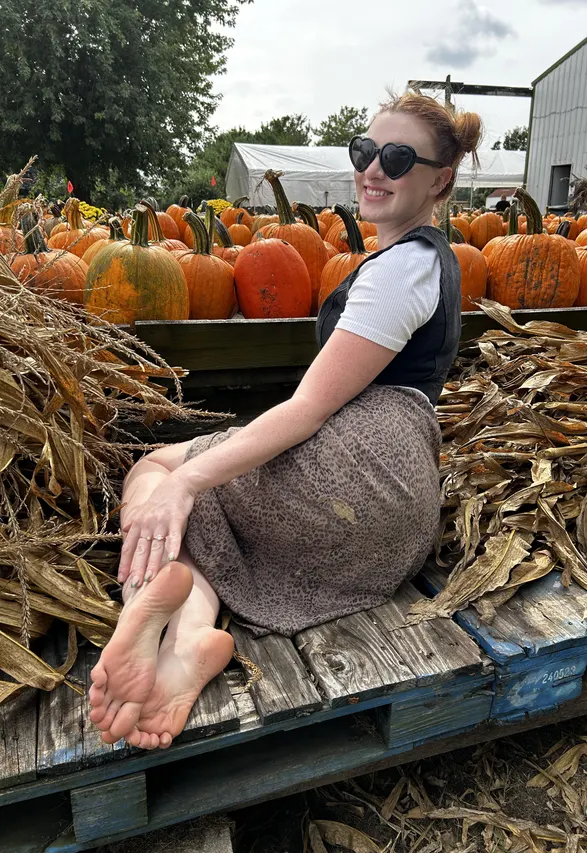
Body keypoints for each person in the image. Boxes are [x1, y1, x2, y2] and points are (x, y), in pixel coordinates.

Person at [88, 93, 483, 751]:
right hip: (396, 521)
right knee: (215, 495)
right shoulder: (428, 259)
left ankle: (143, 606)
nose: (373, 169)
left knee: (159, 469)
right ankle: (188, 644)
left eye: (397, 158)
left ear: (439, 178)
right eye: (365, 152)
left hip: (359, 475)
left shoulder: (401, 269)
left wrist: (186, 481)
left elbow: (307, 409)